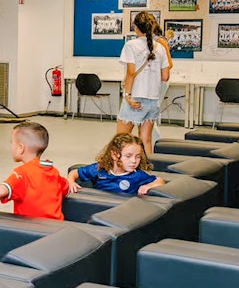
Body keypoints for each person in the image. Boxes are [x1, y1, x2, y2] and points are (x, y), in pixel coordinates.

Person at [0, 121, 71, 220]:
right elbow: (66, 187)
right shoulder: (53, 171)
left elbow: (1, 191)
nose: (11, 146)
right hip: (57, 228)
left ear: (21, 148)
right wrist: (71, 181)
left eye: (11, 142)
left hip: (32, 230)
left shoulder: (22, 173)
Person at [118, 11, 170, 156]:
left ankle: (120, 167)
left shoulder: (130, 45)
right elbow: (165, 76)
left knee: (121, 139)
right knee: (146, 139)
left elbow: (130, 73)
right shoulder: (160, 48)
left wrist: (127, 96)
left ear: (136, 27)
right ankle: (148, 167)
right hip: (153, 100)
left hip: (135, 98)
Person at [68, 134, 165, 196]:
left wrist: (148, 186)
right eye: (128, 156)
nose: (134, 161)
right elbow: (74, 172)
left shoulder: (138, 175)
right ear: (114, 155)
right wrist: (70, 182)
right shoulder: (99, 169)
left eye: (138, 157)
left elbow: (160, 181)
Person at [149, 21, 173, 143]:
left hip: (158, 81)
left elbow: (169, 64)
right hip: (150, 82)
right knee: (147, 114)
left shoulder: (160, 42)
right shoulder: (147, 42)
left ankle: (155, 142)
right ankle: (151, 141)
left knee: (149, 114)